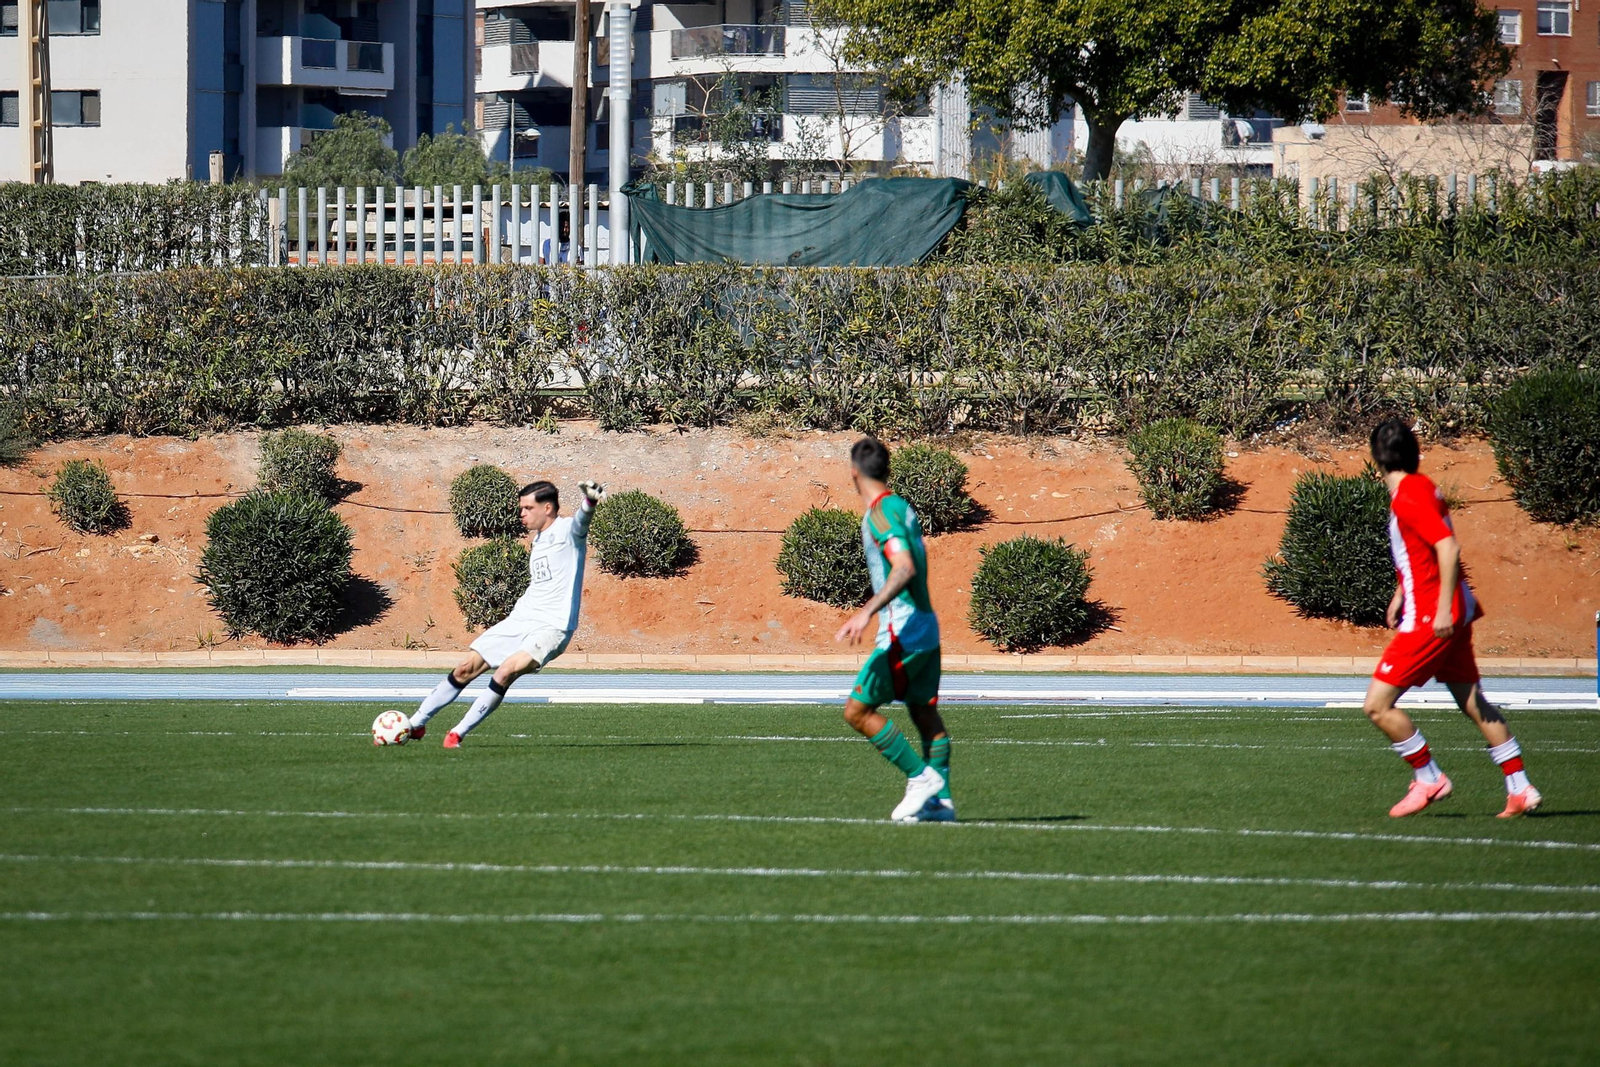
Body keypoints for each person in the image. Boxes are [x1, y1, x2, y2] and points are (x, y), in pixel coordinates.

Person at [1361, 418, 1540, 818]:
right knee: (1473, 701)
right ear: (1414, 452)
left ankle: (1429, 777)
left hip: (1433, 615)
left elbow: (1447, 547)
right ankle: (1520, 787)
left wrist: (1440, 608)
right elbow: (1420, 549)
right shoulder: (1422, 486)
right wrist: (1401, 591)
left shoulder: (1407, 496)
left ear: (1376, 458)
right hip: (1453, 609)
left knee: (1377, 705)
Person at [409, 479, 604, 748]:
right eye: (521, 508)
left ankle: (457, 733)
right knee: (466, 668)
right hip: (522, 618)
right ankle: (416, 723)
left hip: (553, 627)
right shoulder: (539, 538)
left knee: (504, 672)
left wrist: (589, 502)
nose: (522, 513)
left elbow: (582, 522)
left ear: (547, 508)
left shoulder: (568, 531)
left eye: (528, 508)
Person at [834, 437, 954, 822]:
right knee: (924, 714)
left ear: (854, 472)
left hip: (904, 630)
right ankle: (941, 803)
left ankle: (921, 778)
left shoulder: (880, 513)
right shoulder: (901, 505)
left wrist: (866, 612)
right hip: (926, 627)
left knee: (857, 711)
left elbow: (903, 566)